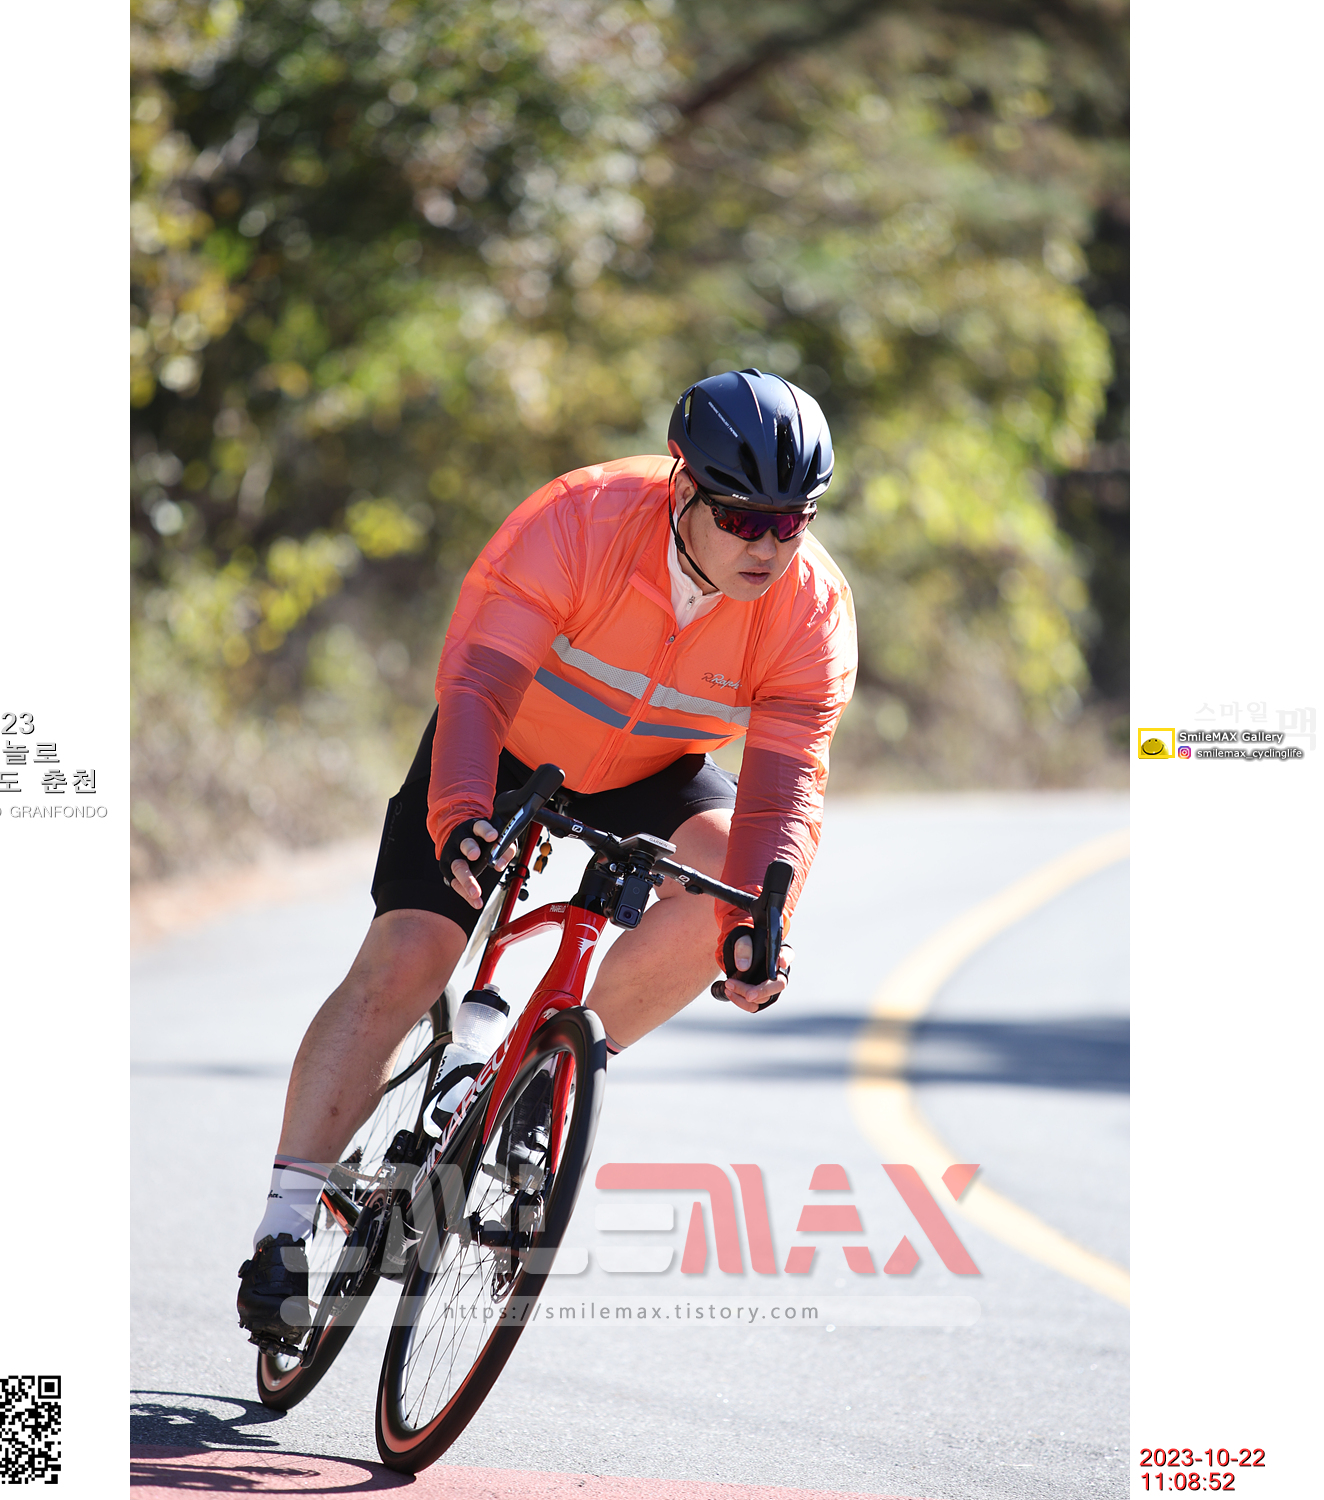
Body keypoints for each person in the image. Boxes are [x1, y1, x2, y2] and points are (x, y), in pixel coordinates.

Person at [237, 369, 858, 1344]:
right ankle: (281, 1229)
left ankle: (546, 1082)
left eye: (792, 523)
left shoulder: (810, 608)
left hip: (654, 767)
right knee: (409, 956)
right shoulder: (578, 520)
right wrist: (460, 814)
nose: (769, 547)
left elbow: (786, 790)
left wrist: (762, 924)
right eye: (743, 519)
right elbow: (477, 686)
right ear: (683, 486)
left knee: (729, 902)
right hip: (504, 746)